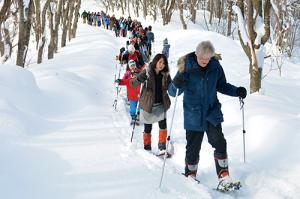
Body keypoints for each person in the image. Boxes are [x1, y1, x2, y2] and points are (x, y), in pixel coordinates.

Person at [168, 41, 247, 187]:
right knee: (193, 147)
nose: (205, 61)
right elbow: (172, 92)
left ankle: (223, 175)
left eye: (208, 58)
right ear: (196, 54)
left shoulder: (215, 67)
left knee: (219, 142)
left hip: (212, 112)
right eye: (202, 58)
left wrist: (237, 91)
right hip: (193, 113)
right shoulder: (186, 67)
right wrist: (176, 83)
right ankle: (190, 174)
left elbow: (222, 85)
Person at [131, 54, 172, 156]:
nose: (162, 65)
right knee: (148, 127)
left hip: (161, 104)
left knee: (163, 126)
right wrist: (139, 78)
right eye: (160, 62)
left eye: (164, 63)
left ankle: (162, 148)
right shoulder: (148, 72)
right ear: (155, 62)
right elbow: (133, 83)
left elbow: (171, 87)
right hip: (148, 104)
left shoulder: (166, 74)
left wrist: (177, 85)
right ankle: (147, 147)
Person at [115, 60, 141, 125]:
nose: (133, 67)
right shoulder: (128, 76)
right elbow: (124, 81)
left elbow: (144, 78)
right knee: (132, 108)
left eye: (134, 65)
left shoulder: (139, 72)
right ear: (129, 67)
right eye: (131, 66)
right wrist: (119, 81)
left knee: (140, 106)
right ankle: (133, 117)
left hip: (140, 94)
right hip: (132, 95)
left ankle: (138, 115)